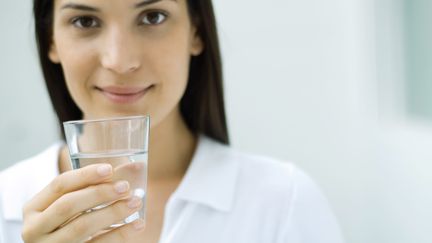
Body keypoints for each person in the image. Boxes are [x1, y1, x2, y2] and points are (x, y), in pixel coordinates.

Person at [0, 0, 344, 242]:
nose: (120, 61)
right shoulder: (6, 204)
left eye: (152, 17)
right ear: (51, 40)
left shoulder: (283, 202)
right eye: (85, 21)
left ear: (197, 31)